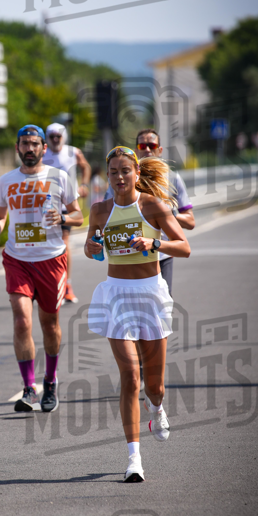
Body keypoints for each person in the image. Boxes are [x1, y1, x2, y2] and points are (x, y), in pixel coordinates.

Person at [85, 146, 190, 483]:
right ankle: (134, 459)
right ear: (108, 174)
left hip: (150, 295)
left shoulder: (152, 206)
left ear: (136, 173)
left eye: (124, 171)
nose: (118, 177)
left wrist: (153, 245)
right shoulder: (100, 210)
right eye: (113, 171)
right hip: (116, 294)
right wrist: (91, 248)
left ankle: (156, 407)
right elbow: (93, 248)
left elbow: (184, 246)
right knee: (130, 375)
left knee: (154, 385)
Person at [0, 124, 83, 413]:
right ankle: (29, 388)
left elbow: (78, 215)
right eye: (24, 144)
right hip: (17, 258)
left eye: (34, 144)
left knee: (49, 324)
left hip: (51, 258)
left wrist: (63, 215)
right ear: (17, 148)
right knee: (21, 320)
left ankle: (50, 380)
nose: (29, 149)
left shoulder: (59, 177)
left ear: (43, 148)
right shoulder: (7, 181)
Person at [104, 129, 194, 296]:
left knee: (160, 309)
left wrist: (165, 214)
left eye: (151, 145)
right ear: (136, 150)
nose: (147, 149)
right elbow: (107, 217)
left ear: (159, 150)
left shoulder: (172, 178)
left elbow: (190, 222)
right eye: (142, 145)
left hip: (161, 255)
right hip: (126, 258)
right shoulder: (119, 181)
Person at [44, 122, 91, 303]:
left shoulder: (73, 152)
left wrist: (84, 185)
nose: (56, 140)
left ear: (64, 137)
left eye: (59, 136)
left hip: (66, 205)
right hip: (46, 206)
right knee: (46, 245)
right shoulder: (42, 153)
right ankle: (52, 285)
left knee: (63, 243)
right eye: (52, 136)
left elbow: (85, 167)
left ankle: (66, 285)